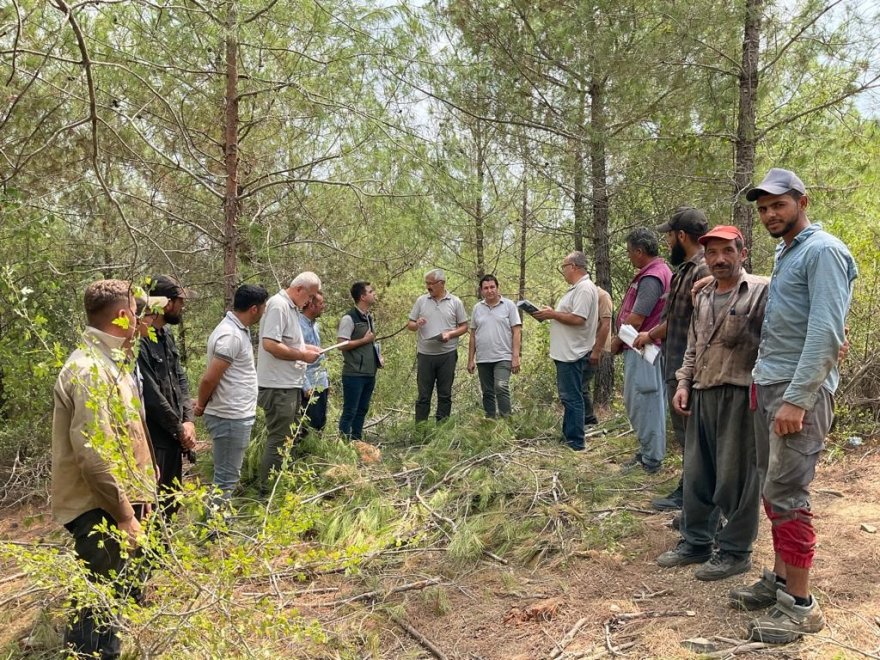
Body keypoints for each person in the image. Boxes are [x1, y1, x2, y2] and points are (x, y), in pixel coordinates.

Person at [729, 169, 857, 644]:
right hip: (773, 384)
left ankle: (801, 608)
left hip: (796, 395)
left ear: (802, 201)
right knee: (773, 487)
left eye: (778, 205)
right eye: (763, 208)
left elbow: (825, 333)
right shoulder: (791, 251)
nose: (769, 215)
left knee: (787, 494)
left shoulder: (823, 251)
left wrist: (798, 400)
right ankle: (782, 583)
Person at [53, 279, 157, 658]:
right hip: (100, 507)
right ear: (123, 316)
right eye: (138, 312)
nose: (143, 321)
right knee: (96, 609)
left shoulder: (108, 362)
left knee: (105, 600)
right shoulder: (90, 369)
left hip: (113, 504)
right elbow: (93, 456)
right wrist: (125, 513)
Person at [656, 225, 766, 581]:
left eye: (728, 252)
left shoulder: (762, 292)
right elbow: (693, 345)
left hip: (740, 394)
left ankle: (735, 550)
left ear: (742, 254)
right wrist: (683, 383)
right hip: (702, 392)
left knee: (736, 476)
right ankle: (696, 541)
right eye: (712, 253)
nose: (719, 260)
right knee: (698, 473)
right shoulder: (702, 296)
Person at [635, 208, 710, 510]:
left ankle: (696, 498)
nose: (666, 241)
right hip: (675, 364)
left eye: (669, 235)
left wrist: (650, 334)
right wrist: (652, 335)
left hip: (691, 370)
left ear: (681, 236)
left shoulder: (703, 271)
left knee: (694, 436)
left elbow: (703, 323)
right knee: (685, 435)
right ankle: (689, 490)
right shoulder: (684, 271)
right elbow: (676, 319)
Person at [193, 284, 269, 501]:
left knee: (227, 478)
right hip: (229, 416)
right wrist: (200, 405)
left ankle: (217, 527)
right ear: (254, 309)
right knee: (226, 480)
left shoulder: (236, 331)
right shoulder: (231, 335)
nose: (263, 312)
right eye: (263, 307)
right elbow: (209, 378)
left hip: (234, 415)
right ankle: (213, 532)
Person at [611, 228, 673, 473]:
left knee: (644, 402)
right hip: (647, 349)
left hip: (644, 349)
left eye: (629, 252)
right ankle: (648, 452)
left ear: (639, 251)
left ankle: (651, 459)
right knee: (647, 401)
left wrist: (618, 339)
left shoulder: (652, 277)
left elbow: (637, 318)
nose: (628, 257)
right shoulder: (659, 272)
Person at [256, 272, 322, 491]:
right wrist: (303, 356)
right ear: (299, 289)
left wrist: (306, 349)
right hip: (278, 386)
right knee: (279, 440)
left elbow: (289, 342)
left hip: (290, 385)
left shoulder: (291, 308)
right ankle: (267, 492)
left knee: (289, 439)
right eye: (310, 296)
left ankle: (281, 485)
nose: (311, 302)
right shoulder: (278, 305)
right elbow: (271, 345)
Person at [137, 275, 196, 517]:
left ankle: (165, 550)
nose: (182, 307)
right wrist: (179, 429)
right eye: (180, 301)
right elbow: (151, 395)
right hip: (155, 438)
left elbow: (179, 378)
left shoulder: (166, 335)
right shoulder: (139, 341)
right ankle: (150, 554)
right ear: (166, 304)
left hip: (175, 435)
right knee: (154, 503)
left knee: (172, 499)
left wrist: (189, 420)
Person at [533, 252, 599, 451]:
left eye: (564, 266)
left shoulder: (585, 289)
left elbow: (579, 318)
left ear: (574, 266)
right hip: (566, 352)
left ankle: (576, 442)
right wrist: (552, 313)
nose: (563, 271)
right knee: (569, 397)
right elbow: (570, 314)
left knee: (573, 397)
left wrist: (552, 314)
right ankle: (568, 435)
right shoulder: (576, 289)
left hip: (574, 353)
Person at [407, 269, 468, 423]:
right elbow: (410, 325)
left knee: (445, 394)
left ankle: (441, 432)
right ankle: (420, 431)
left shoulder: (455, 302)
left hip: (447, 354)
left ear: (441, 283)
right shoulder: (421, 301)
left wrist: (450, 334)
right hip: (425, 355)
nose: (428, 287)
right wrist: (417, 324)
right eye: (426, 283)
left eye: (431, 283)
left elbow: (464, 327)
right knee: (423, 396)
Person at [467, 275, 522, 418]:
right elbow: (472, 335)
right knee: (487, 392)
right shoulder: (477, 308)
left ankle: (506, 422)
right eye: (486, 288)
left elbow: (516, 332)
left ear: (497, 288)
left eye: (492, 287)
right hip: (483, 358)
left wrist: (515, 357)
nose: (490, 290)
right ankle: (490, 424)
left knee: (501, 386)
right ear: (481, 291)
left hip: (503, 356)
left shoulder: (509, 305)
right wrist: (470, 359)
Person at [337, 281, 382, 439]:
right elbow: (341, 345)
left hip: (369, 372)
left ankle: (357, 441)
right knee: (350, 411)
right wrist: (363, 341)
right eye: (371, 291)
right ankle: (343, 444)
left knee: (362, 409)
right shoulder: (349, 318)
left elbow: (370, 342)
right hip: (353, 373)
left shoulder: (369, 317)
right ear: (362, 296)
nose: (374, 293)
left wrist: (377, 357)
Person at [299, 291, 330, 434]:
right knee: (308, 426)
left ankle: (316, 456)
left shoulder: (315, 325)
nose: (323, 306)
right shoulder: (298, 326)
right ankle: (305, 456)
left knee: (319, 423)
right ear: (311, 305)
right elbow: (297, 357)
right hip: (309, 385)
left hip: (321, 382)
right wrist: (306, 386)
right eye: (321, 304)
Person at [582, 285, 613, 426]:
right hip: (583, 347)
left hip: (594, 348)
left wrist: (597, 350)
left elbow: (606, 324)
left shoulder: (603, 296)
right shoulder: (586, 295)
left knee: (581, 386)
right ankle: (584, 419)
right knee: (582, 385)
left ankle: (589, 420)